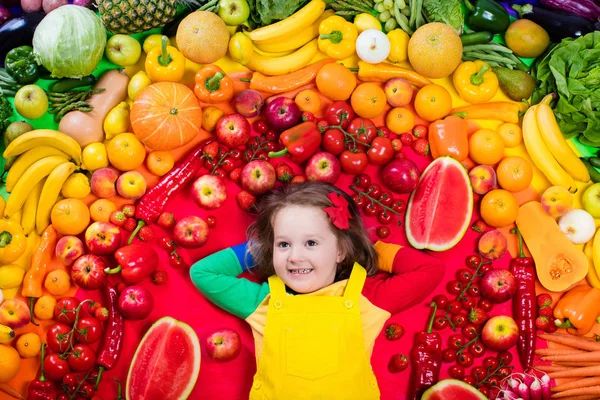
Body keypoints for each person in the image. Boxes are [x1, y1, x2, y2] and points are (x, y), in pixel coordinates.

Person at [190, 181, 444, 400]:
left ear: (340, 251)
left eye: (311, 242)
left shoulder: (365, 299)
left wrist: (366, 248)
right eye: (284, 244)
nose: (295, 256)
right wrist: (265, 249)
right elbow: (203, 273)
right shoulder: (264, 301)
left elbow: (429, 270)